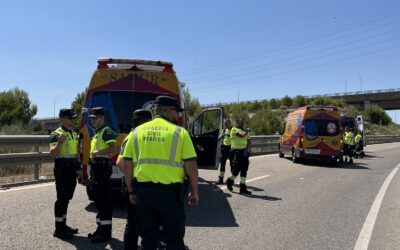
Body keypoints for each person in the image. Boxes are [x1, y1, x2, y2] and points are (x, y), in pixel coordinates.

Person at [123, 96, 199, 250]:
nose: (178, 116)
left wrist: (131, 190)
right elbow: (191, 166)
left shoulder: (137, 132)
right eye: (176, 112)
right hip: (170, 196)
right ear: (166, 110)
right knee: (174, 239)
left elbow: (127, 164)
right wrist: (194, 191)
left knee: (148, 240)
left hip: (144, 195)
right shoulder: (180, 133)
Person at [117, 109, 153, 250]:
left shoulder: (136, 136)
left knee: (139, 222)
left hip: (138, 185)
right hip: (135, 185)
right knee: (134, 223)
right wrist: (133, 179)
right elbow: (120, 163)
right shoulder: (134, 136)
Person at [88, 107, 119, 243]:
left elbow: (114, 149)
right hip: (96, 169)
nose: (93, 120)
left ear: (102, 118)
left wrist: (96, 153)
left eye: (95, 118)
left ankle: (105, 233)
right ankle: (100, 229)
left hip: (102, 167)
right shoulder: (97, 132)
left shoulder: (106, 131)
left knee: (104, 200)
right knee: (98, 199)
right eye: (92, 118)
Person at [49, 108, 80, 239]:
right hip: (62, 168)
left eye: (73, 118)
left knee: (67, 198)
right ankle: (58, 229)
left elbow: (76, 152)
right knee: (61, 199)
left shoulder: (73, 132)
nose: (72, 120)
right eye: (70, 118)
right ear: (62, 119)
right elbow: (53, 153)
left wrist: (79, 167)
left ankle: (63, 225)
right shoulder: (56, 134)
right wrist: (60, 142)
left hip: (72, 168)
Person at [226, 118, 252, 195]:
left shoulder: (244, 130)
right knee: (236, 170)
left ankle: (242, 188)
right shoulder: (234, 129)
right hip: (236, 152)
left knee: (244, 170)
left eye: (243, 122)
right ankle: (230, 181)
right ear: (236, 123)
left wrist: (248, 151)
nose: (242, 124)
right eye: (240, 122)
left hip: (244, 152)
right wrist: (246, 131)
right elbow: (241, 136)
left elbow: (249, 140)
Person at [216, 119, 233, 185]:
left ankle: (231, 180)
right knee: (222, 164)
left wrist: (228, 135)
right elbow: (218, 138)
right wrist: (221, 135)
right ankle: (221, 179)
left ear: (230, 123)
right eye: (225, 124)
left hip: (231, 148)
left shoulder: (233, 130)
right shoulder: (223, 130)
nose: (225, 125)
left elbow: (235, 137)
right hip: (224, 148)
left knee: (232, 164)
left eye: (227, 123)